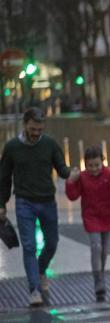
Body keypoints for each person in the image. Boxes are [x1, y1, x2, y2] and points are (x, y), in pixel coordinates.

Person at [0, 107, 70, 306]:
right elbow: (3, 178)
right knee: (29, 246)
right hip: (24, 202)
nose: (36, 133)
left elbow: (61, 167)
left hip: (47, 200)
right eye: (33, 129)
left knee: (52, 242)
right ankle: (34, 289)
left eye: (40, 129)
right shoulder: (12, 147)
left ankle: (40, 271)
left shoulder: (49, 144)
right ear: (25, 125)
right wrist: (1, 204)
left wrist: (70, 174)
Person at [65, 146, 110, 302]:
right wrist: (70, 181)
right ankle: (98, 282)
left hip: (108, 216)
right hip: (91, 216)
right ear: (85, 164)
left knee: (104, 250)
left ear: (103, 162)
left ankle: (100, 275)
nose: (93, 169)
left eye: (97, 165)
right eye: (90, 166)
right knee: (96, 247)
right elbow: (73, 196)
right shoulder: (83, 177)